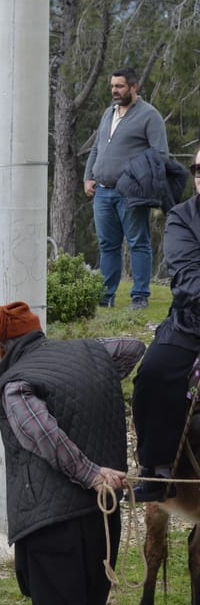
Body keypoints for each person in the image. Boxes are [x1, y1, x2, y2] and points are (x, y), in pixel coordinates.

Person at [0, 301, 144, 605]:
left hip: (52, 526)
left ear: (0, 348)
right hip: (101, 516)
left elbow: (43, 435)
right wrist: (88, 365)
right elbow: (133, 347)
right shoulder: (90, 353)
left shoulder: (16, 384)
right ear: (36, 332)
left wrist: (91, 474)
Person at [129, 147, 200, 502]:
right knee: (154, 374)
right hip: (192, 322)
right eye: (198, 169)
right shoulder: (182, 218)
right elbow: (188, 279)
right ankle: (157, 471)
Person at [83, 67, 169, 310]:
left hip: (130, 194)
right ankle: (106, 297)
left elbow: (160, 154)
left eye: (119, 86)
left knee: (137, 243)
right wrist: (88, 177)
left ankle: (139, 296)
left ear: (134, 87)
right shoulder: (108, 113)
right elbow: (97, 148)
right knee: (107, 245)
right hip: (102, 191)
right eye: (112, 86)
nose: (114, 91)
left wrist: (137, 180)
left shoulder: (149, 115)